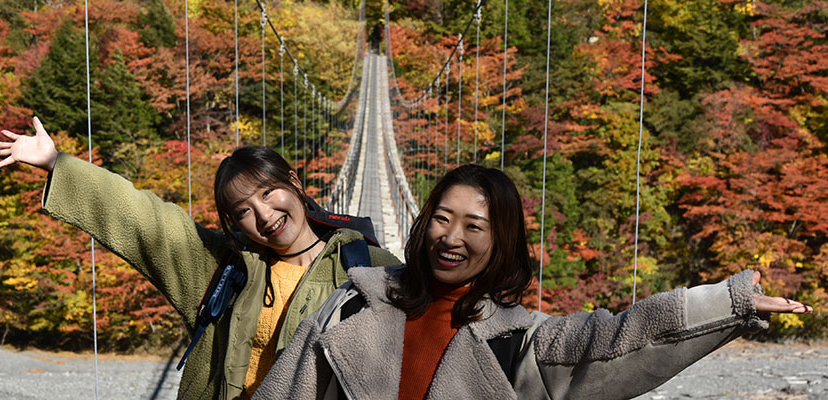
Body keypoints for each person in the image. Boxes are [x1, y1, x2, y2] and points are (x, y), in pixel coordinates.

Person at [254, 164, 813, 400]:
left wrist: (732, 301)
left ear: (500, 244)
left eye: (476, 226)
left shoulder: (519, 338)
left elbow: (618, 335)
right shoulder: (354, 303)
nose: (453, 237)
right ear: (424, 223)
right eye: (443, 218)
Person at [0, 117, 402, 399]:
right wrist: (56, 162)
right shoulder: (226, 268)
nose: (264, 215)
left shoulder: (366, 267)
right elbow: (143, 219)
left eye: (268, 193)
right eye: (242, 210)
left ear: (293, 182)